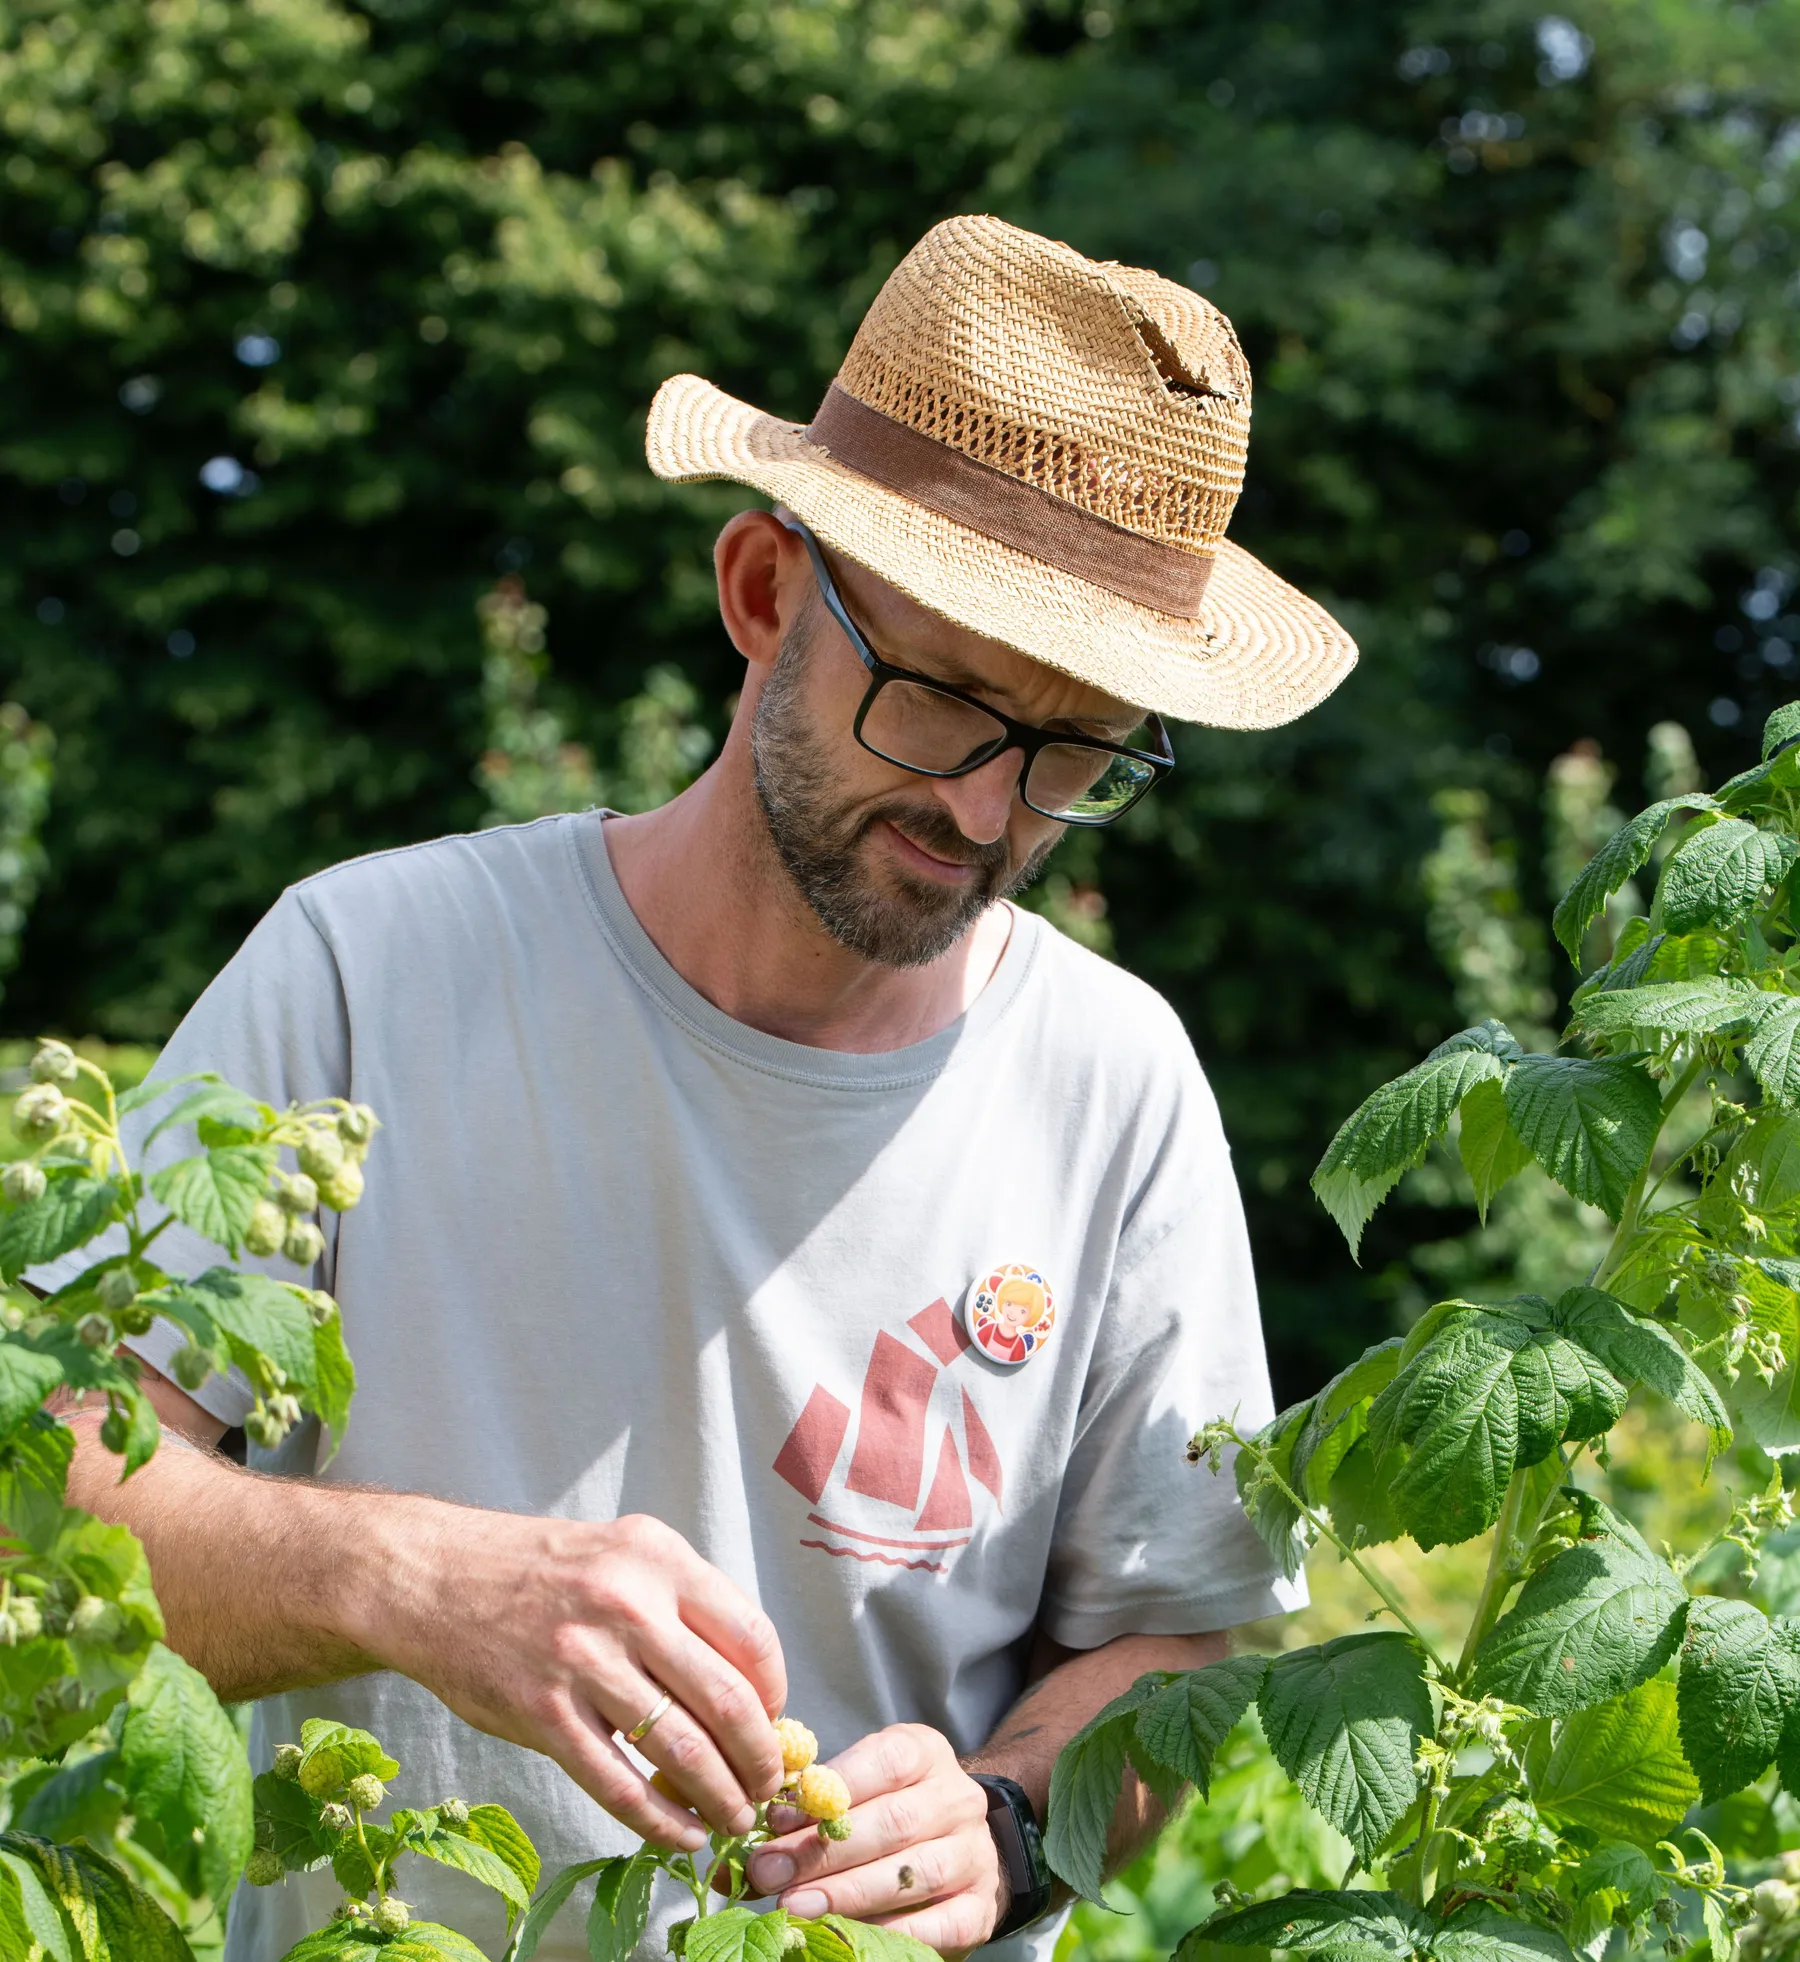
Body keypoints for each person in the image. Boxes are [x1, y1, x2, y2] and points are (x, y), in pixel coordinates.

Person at [41, 214, 1354, 1961]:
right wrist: (414, 1583)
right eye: (947, 704)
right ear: (758, 595)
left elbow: (1174, 1647)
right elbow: (44, 1494)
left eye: (1073, 751)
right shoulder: (367, 972)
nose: (985, 814)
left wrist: (1009, 1821)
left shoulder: (1115, 1090)